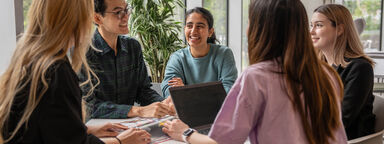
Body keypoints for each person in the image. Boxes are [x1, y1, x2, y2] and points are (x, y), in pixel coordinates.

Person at [161, 0, 348, 144]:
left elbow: (222, 142)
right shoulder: (327, 74)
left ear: (261, 29)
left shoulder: (256, 77)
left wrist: (184, 133)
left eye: (250, 21)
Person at [0, 0, 150, 143]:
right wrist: (120, 141)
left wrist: (86, 130)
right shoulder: (56, 71)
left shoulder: (33, 59)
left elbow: (50, 127)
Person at [81, 0, 173, 119]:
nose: (126, 16)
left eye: (126, 10)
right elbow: (88, 106)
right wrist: (137, 111)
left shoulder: (133, 47)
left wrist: (163, 104)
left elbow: (143, 91)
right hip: (97, 131)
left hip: (130, 126)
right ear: (97, 18)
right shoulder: (83, 52)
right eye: (118, 12)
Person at [311, 4, 375, 140]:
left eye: (318, 25)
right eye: (311, 25)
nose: (311, 32)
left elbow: (340, 120)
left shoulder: (360, 68)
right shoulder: (319, 67)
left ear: (339, 29)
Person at [160, 7, 238, 97]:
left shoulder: (224, 54)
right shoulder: (177, 58)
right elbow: (169, 91)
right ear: (185, 29)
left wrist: (186, 91)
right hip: (185, 110)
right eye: (189, 26)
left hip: (218, 111)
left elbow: (229, 90)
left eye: (199, 26)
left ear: (210, 32)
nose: (193, 31)